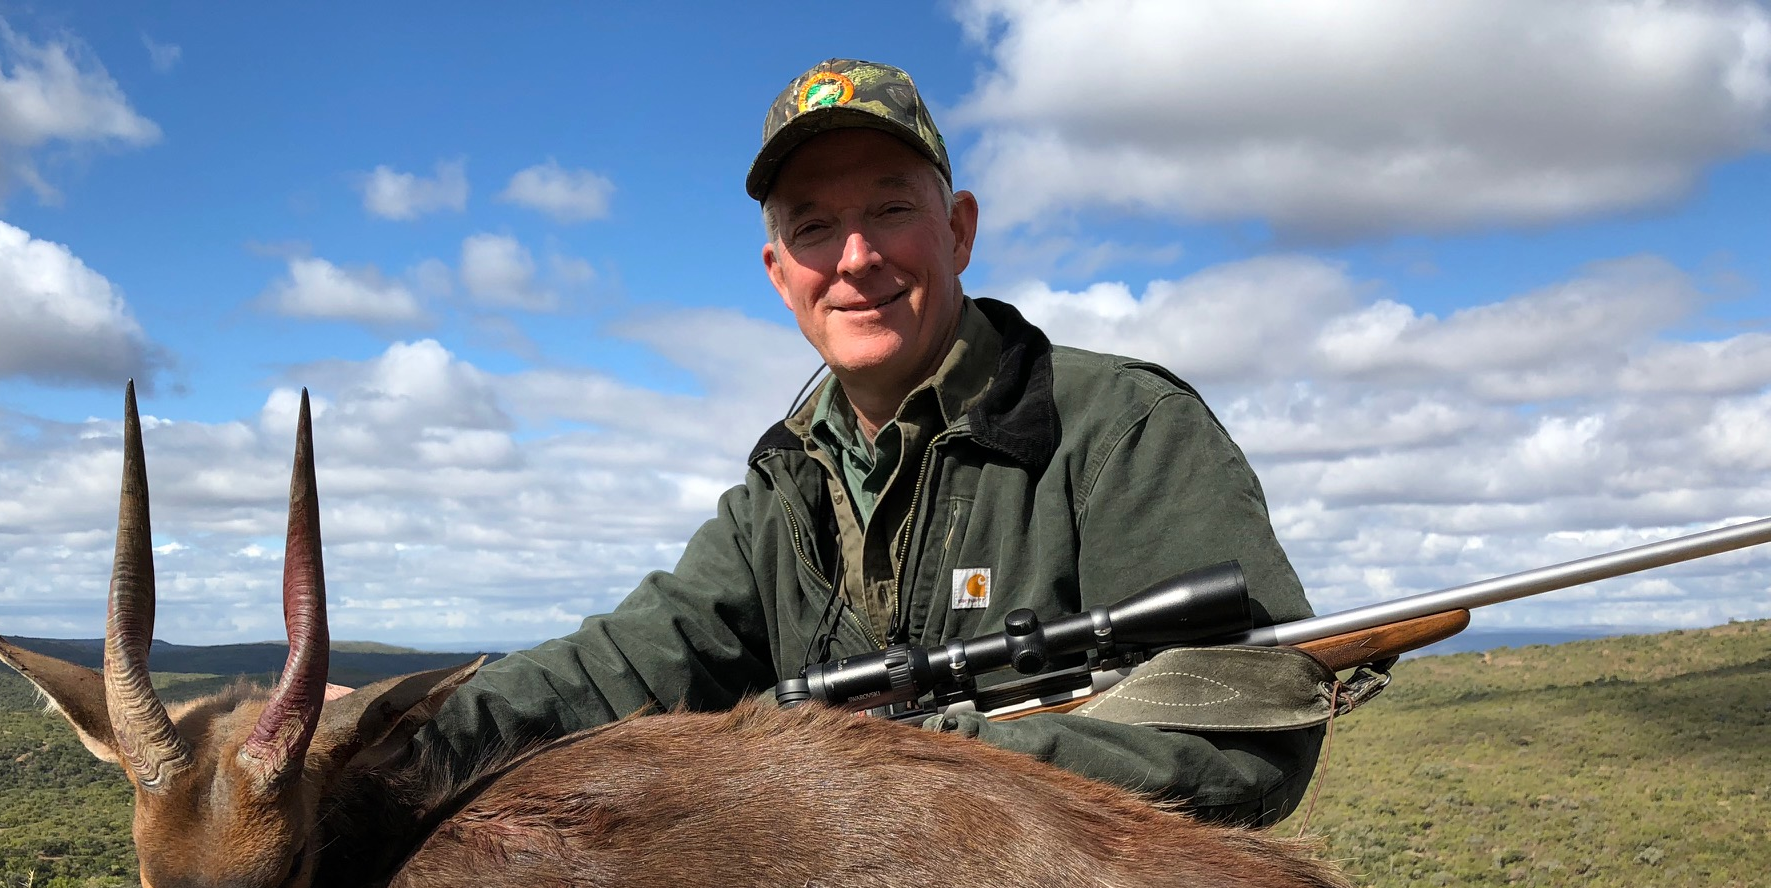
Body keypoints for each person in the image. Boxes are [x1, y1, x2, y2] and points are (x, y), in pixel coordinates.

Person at [422, 59, 1331, 826]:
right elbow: (626, 664)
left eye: (890, 209)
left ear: (960, 230)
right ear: (781, 277)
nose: (855, 257)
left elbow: (1249, 728)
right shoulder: (781, 492)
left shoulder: (1123, 429)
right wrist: (413, 730)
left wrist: (935, 764)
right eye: (813, 227)